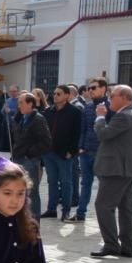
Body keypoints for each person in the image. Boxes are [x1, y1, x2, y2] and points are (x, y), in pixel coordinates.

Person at [91, 85, 132, 258]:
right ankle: (127, 247)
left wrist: (99, 117)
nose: (109, 99)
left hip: (117, 170)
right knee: (125, 208)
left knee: (103, 206)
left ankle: (111, 244)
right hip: (127, 169)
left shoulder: (124, 116)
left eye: (112, 96)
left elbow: (104, 134)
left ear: (124, 97)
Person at [65, 78, 109, 223]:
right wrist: (81, 147)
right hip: (86, 152)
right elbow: (82, 129)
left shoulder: (110, 107)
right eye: (89, 88)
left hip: (102, 153)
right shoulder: (88, 107)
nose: (90, 90)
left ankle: (106, 214)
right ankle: (80, 213)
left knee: (105, 185)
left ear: (103, 89)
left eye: (94, 88)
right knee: (85, 184)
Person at [40, 85, 82, 221]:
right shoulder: (48, 111)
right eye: (54, 93)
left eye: (58, 94)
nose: (55, 96)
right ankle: (51, 209)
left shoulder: (74, 112)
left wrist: (72, 151)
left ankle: (66, 211)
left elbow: (77, 133)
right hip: (49, 153)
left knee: (66, 182)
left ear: (66, 95)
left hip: (65, 153)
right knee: (51, 181)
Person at [10, 93, 51, 219]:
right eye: (18, 103)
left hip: (30, 161)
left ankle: (33, 223)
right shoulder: (21, 117)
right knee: (18, 190)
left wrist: (29, 153)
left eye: (21, 103)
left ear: (30, 104)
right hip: (17, 158)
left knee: (31, 192)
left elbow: (46, 142)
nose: (19, 106)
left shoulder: (38, 119)